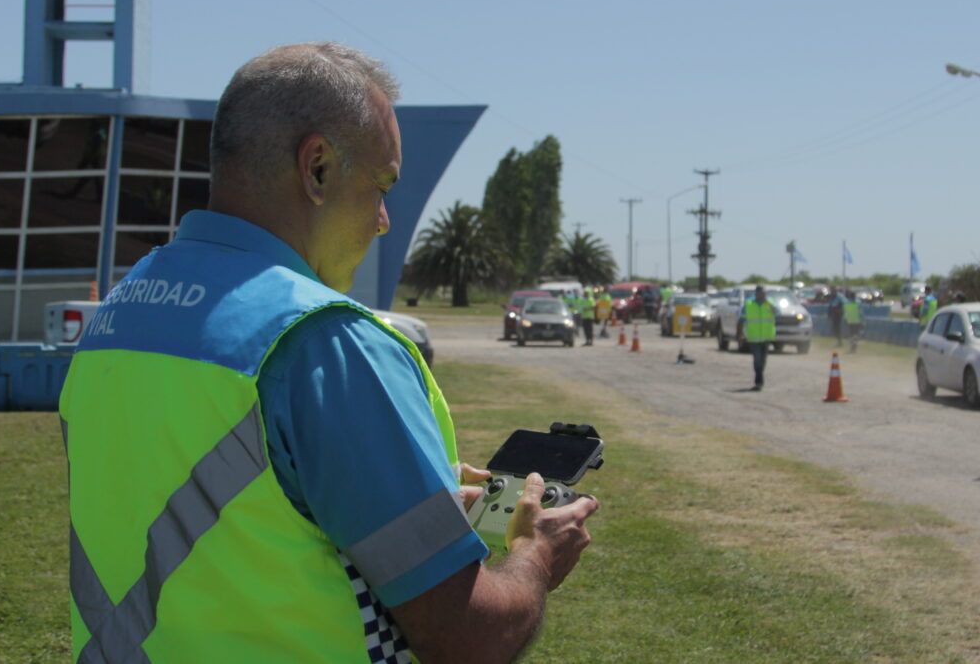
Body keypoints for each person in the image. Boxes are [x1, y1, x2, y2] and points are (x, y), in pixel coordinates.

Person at [59, 43, 597, 663]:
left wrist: (404, 493)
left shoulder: (126, 308)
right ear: (316, 168)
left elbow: (220, 500)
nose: (384, 220)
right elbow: (468, 636)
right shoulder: (324, 341)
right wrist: (536, 556)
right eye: (381, 186)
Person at [739, 285, 777, 390]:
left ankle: (759, 377)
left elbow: (777, 313)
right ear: (756, 293)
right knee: (757, 360)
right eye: (760, 293)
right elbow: (741, 320)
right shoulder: (748, 305)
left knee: (763, 361)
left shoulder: (770, 304)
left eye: (764, 293)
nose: (762, 295)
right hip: (754, 338)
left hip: (766, 337)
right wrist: (740, 334)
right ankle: (758, 381)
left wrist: (768, 303)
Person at [843, 289, 863, 353]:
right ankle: (854, 347)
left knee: (851, 334)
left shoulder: (846, 303)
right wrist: (863, 320)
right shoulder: (858, 302)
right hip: (857, 320)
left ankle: (852, 347)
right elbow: (860, 313)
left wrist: (845, 319)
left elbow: (845, 312)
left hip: (849, 320)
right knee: (856, 334)